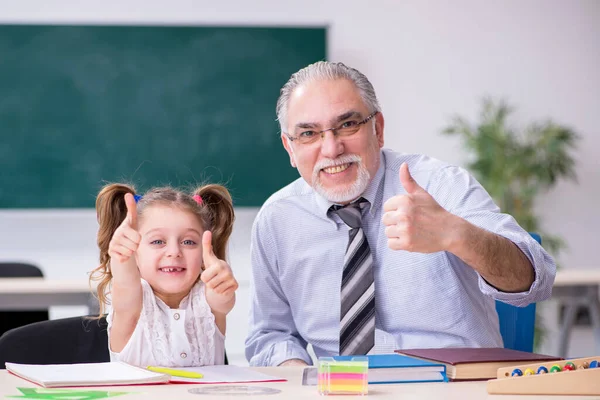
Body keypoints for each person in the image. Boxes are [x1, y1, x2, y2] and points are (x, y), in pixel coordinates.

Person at [245, 61, 556, 367]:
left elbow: (536, 278)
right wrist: (304, 382)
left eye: (348, 125)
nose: (331, 149)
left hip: (450, 389)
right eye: (309, 133)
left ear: (378, 129)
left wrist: (456, 234)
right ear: (289, 148)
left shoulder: (440, 185)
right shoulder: (278, 220)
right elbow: (272, 334)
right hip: (343, 389)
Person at [91, 183, 238, 367]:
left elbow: (222, 299)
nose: (174, 251)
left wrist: (223, 283)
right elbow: (125, 283)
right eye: (158, 241)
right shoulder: (132, 305)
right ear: (134, 253)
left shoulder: (208, 300)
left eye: (189, 242)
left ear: (203, 251)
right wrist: (121, 256)